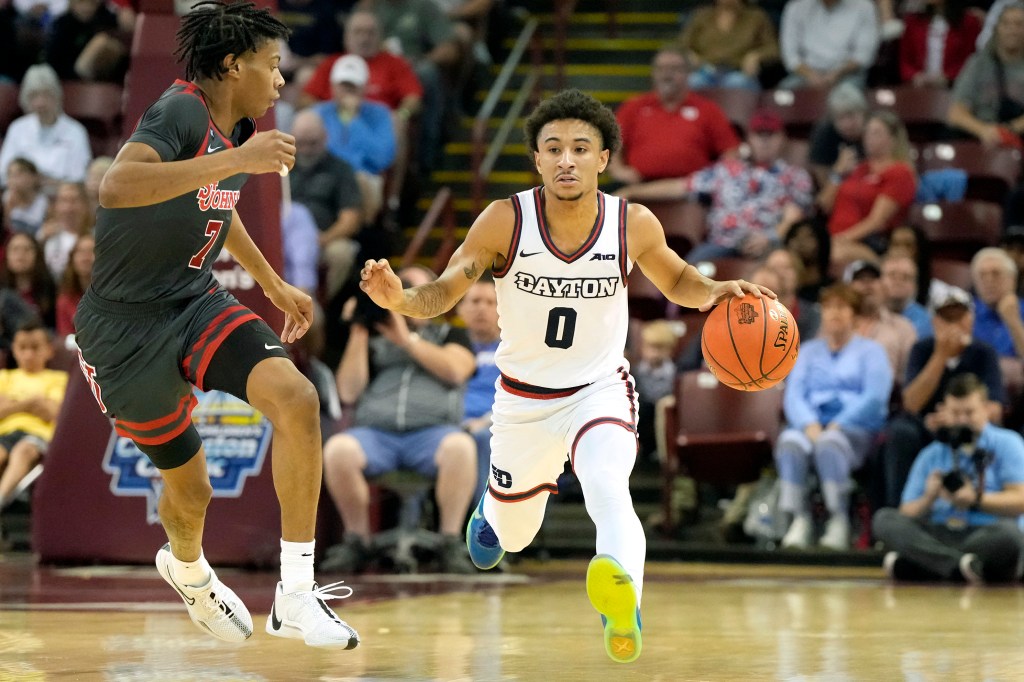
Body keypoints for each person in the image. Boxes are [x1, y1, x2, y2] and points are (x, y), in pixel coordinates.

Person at [356, 88, 772, 663]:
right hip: (523, 403)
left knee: (608, 485)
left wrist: (716, 289)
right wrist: (401, 300)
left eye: (581, 148)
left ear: (604, 159)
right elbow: (447, 290)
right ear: (537, 159)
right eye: (553, 148)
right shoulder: (505, 220)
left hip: (600, 391)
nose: (566, 159)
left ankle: (623, 607)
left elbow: (678, 283)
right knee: (514, 537)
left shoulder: (633, 222)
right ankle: (495, 510)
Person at [73, 1, 359, 649]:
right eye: (272, 65)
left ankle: (296, 593)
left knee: (297, 398)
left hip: (195, 301)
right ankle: (190, 572)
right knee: (192, 490)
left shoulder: (236, 125)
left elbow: (215, 204)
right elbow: (117, 187)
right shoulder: (181, 111)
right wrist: (236, 162)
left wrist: (272, 283)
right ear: (233, 66)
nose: (281, 80)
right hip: (125, 333)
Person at [320, 265, 477, 575]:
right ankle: (357, 541)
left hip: (433, 435)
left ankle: (449, 541)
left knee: (461, 447)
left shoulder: (451, 334)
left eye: (419, 291)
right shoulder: (376, 342)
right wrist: (360, 328)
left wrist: (407, 341)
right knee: (339, 449)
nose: (410, 298)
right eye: (405, 289)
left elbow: (456, 370)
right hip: (378, 436)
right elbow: (348, 392)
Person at [874, 373, 1024, 584]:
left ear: (986, 409)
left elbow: (1020, 501)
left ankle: (924, 566)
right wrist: (928, 497)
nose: (962, 420)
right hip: (940, 530)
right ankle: (959, 567)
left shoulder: (1008, 443)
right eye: (955, 413)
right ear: (945, 411)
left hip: (986, 533)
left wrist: (975, 500)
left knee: (1010, 536)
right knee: (884, 520)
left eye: (969, 412)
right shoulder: (932, 453)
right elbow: (906, 512)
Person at [775, 283, 893, 551]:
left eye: (841, 307)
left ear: (855, 315)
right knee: (790, 442)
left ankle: (838, 518)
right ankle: (799, 518)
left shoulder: (872, 352)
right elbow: (794, 395)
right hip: (812, 425)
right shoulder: (807, 351)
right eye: (828, 308)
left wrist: (840, 423)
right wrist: (809, 424)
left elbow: (874, 397)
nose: (834, 314)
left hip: (854, 429)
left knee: (831, 443)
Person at [875, 287, 1005, 509]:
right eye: (947, 319)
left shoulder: (984, 352)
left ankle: (979, 510)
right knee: (899, 433)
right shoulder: (922, 349)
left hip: (970, 428)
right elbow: (911, 403)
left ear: (971, 319)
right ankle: (898, 512)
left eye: (960, 317)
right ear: (935, 322)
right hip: (927, 427)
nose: (954, 325)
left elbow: (995, 409)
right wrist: (941, 355)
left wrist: (959, 418)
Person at [609, 46, 740, 203]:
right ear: (653, 73)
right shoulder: (634, 106)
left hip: (689, 187)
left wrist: (713, 179)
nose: (667, 74)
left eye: (674, 68)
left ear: (688, 73)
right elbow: (612, 143)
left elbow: (731, 151)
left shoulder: (707, 109)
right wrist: (618, 170)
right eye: (661, 68)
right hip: (639, 181)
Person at [684, 109, 813, 263]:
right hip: (722, 244)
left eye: (771, 134)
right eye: (759, 134)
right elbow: (682, 186)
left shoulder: (795, 175)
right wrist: (646, 192)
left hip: (768, 244)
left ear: (782, 139)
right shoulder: (726, 169)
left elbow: (794, 215)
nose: (764, 141)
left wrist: (770, 238)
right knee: (686, 270)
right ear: (748, 139)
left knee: (783, 262)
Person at [820, 110, 917, 267]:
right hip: (834, 237)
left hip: (868, 243)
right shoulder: (858, 169)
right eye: (867, 133)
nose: (869, 139)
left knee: (832, 254)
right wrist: (837, 173)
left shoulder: (900, 172)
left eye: (876, 133)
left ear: (893, 139)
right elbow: (824, 205)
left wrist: (840, 239)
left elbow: (876, 221)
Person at [311, 54, 396, 224]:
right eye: (344, 85)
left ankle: (361, 236)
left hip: (363, 176)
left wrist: (355, 120)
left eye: (353, 86)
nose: (348, 91)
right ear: (333, 86)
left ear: (365, 87)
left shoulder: (380, 114)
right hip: (325, 176)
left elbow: (382, 159)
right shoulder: (318, 113)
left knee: (361, 182)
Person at [289, 109, 364, 301]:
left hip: (324, 238)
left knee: (342, 253)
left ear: (325, 137)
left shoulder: (341, 169)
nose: (306, 149)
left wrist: (322, 239)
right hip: (287, 238)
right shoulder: (281, 168)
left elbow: (351, 219)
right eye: (301, 143)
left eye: (312, 143)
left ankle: (320, 304)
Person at [0, 320, 68, 507]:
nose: (28, 354)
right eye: (22, 348)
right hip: (4, 434)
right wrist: (32, 402)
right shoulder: (4, 377)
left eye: (35, 348)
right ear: (13, 350)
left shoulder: (59, 379)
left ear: (49, 350)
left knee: (23, 451)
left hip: (38, 437)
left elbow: (52, 412)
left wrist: (12, 404)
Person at [0, 63, 92, 188]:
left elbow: (80, 177)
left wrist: (51, 183)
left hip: (61, 198)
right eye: (34, 96)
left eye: (46, 94)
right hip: (24, 195)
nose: (40, 103)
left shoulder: (76, 131)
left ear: (57, 95)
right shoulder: (17, 128)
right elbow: (4, 173)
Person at [948, 1, 1024, 147]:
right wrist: (984, 131)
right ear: (997, 28)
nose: (1012, 30)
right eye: (1006, 24)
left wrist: (1009, 130)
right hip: (979, 133)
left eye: (1019, 24)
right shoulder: (977, 64)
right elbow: (955, 114)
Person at [456, 273, 500, 501]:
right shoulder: (449, 347)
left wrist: (485, 421)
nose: (482, 309)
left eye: (490, 302)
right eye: (474, 302)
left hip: (493, 425)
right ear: (461, 309)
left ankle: (481, 520)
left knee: (483, 437)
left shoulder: (513, 351)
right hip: (452, 423)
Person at [678, 0, 780, 91]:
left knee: (735, 83)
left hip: (739, 71)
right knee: (693, 82)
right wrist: (690, 55)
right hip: (705, 70)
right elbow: (681, 45)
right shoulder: (701, 16)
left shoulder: (756, 18)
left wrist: (756, 56)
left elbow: (773, 49)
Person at [779, 0, 880, 89]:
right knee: (783, 93)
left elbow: (863, 56)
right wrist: (812, 76)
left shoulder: (865, 6)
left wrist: (835, 75)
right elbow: (790, 56)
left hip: (848, 75)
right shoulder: (795, 7)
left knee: (847, 98)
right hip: (805, 74)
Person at [844, 259, 917, 380]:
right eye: (860, 279)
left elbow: (910, 376)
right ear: (847, 289)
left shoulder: (903, 328)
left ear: (884, 287)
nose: (867, 284)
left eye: (873, 279)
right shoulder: (834, 325)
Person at [899, 0, 983, 87]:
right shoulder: (913, 21)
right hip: (919, 89)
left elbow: (971, 61)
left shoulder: (968, 22)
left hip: (955, 88)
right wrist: (916, 76)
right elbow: (905, 62)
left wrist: (947, 77)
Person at [807, 82, 868, 197]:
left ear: (863, 112)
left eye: (851, 115)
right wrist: (838, 170)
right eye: (840, 118)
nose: (847, 124)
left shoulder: (875, 128)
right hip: (841, 197)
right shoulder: (823, 133)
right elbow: (824, 188)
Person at [970, 247, 1024, 358]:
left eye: (996, 273)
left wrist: (1014, 322)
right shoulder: (967, 312)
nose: (989, 281)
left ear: (1012, 278)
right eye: (982, 275)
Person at [1, 233, 57, 330]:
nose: (20, 254)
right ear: (6, 256)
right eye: (15, 249)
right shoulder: (2, 291)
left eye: (27, 249)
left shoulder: (50, 289)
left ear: (37, 255)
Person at [880, 250, 933, 340]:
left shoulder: (923, 320)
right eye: (892, 275)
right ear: (879, 280)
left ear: (915, 286)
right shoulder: (867, 314)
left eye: (906, 277)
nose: (898, 281)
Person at [55, 233, 93, 338]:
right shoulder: (65, 299)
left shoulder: (113, 296)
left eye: (92, 251)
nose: (86, 257)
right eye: (81, 252)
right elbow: (65, 337)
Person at [3, 158, 49, 237]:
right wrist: (7, 211)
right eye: (10, 175)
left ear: (34, 177)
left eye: (19, 174)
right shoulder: (5, 199)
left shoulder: (44, 204)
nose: (14, 180)